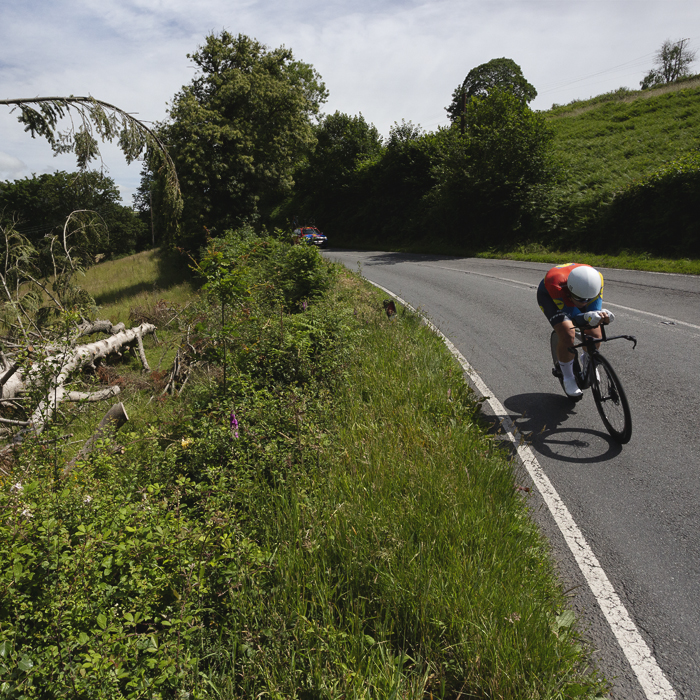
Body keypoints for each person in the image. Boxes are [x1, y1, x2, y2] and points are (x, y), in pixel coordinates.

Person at [537, 263, 615, 398]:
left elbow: (592, 311)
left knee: (595, 334)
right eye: (580, 300)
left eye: (588, 300)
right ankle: (568, 377)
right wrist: (586, 316)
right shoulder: (555, 283)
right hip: (550, 296)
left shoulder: (597, 278)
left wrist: (601, 315)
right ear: (571, 291)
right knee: (567, 333)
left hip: (578, 290)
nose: (584, 303)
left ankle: (588, 361)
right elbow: (574, 318)